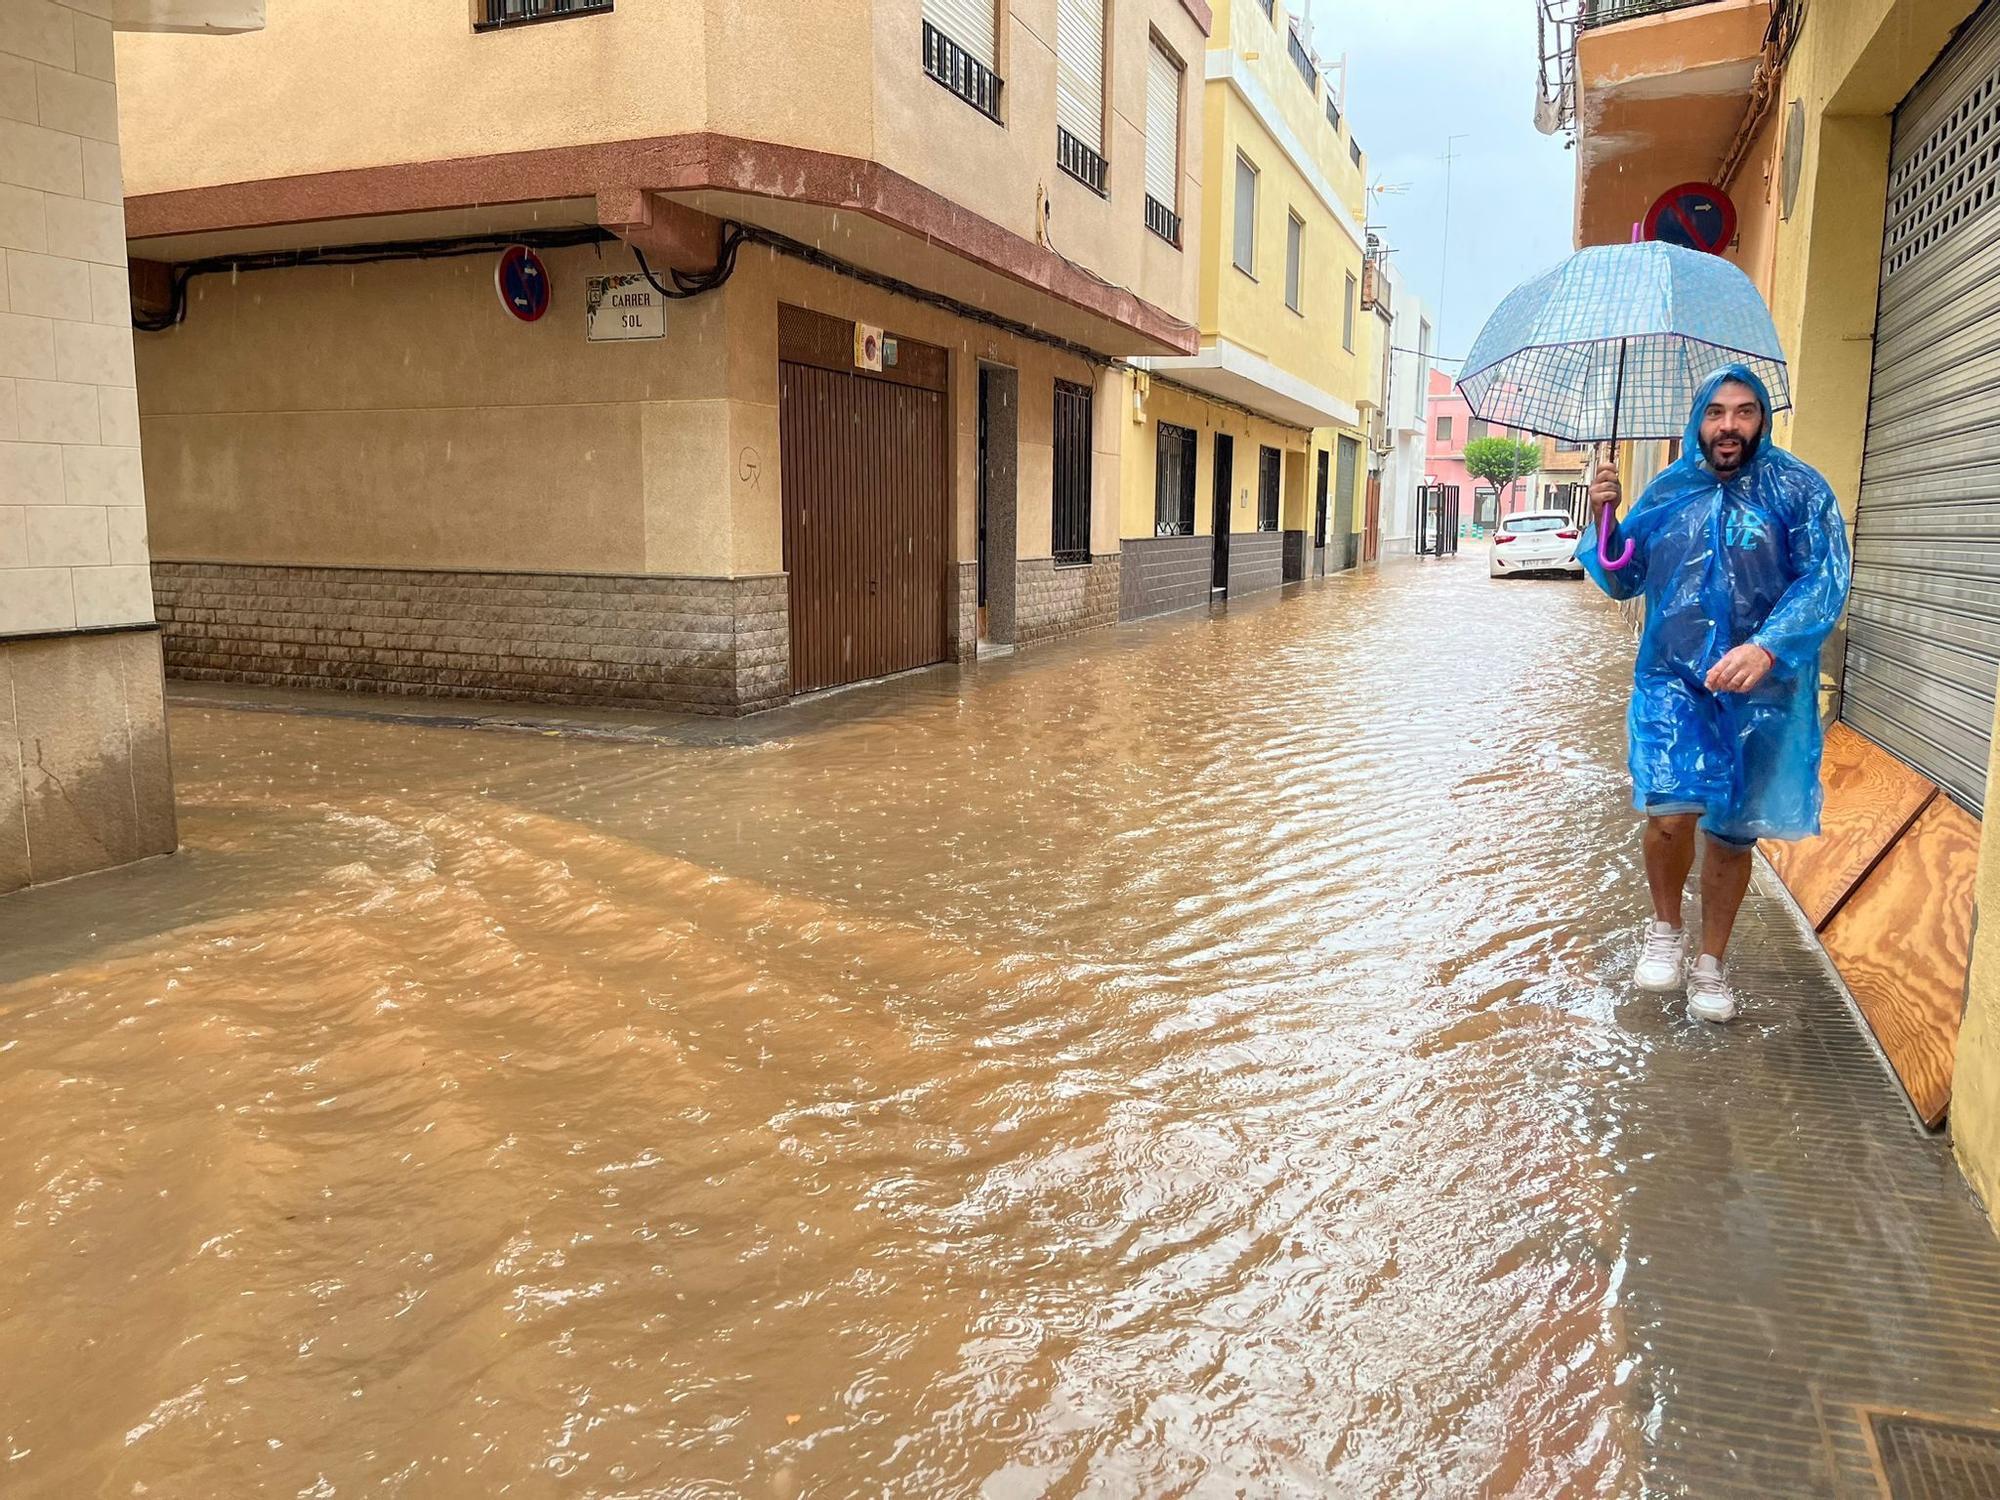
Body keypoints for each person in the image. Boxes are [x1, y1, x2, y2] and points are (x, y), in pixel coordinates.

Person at [1581, 364, 1851, 1023]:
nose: (1728, 425)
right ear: (1699, 421)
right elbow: (1623, 579)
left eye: (1744, 412)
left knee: (1732, 834)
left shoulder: (1799, 491)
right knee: (1670, 813)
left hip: (1762, 688)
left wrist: (1768, 646)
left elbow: (1824, 580)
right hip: (1674, 681)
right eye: (1715, 412)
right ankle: (1666, 931)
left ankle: (1710, 965)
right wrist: (1605, 520)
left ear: (1762, 420)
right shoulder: (1670, 490)